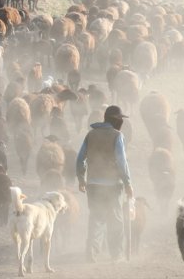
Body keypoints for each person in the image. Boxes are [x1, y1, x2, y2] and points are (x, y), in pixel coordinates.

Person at [76, 105, 133, 262]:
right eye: (120, 119)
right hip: (113, 185)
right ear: (115, 120)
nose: (121, 122)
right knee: (115, 219)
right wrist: (128, 184)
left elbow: (80, 158)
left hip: (93, 185)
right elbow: (122, 162)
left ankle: (91, 253)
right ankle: (116, 254)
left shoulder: (91, 134)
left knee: (96, 218)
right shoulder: (117, 136)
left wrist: (81, 179)